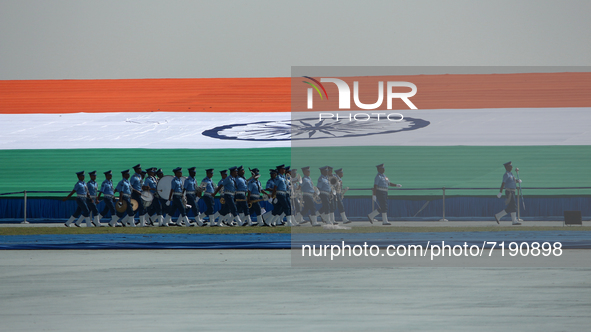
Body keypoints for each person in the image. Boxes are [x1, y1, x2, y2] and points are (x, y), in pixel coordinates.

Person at [494, 161, 522, 225]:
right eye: (510, 166)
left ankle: (498, 216)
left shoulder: (511, 174)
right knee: (513, 206)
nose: (511, 167)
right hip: (509, 192)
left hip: (513, 191)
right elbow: (503, 183)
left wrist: (518, 181)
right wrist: (500, 192)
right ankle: (514, 221)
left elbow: (513, 181)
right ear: (507, 167)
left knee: (510, 207)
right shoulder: (506, 174)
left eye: (511, 166)